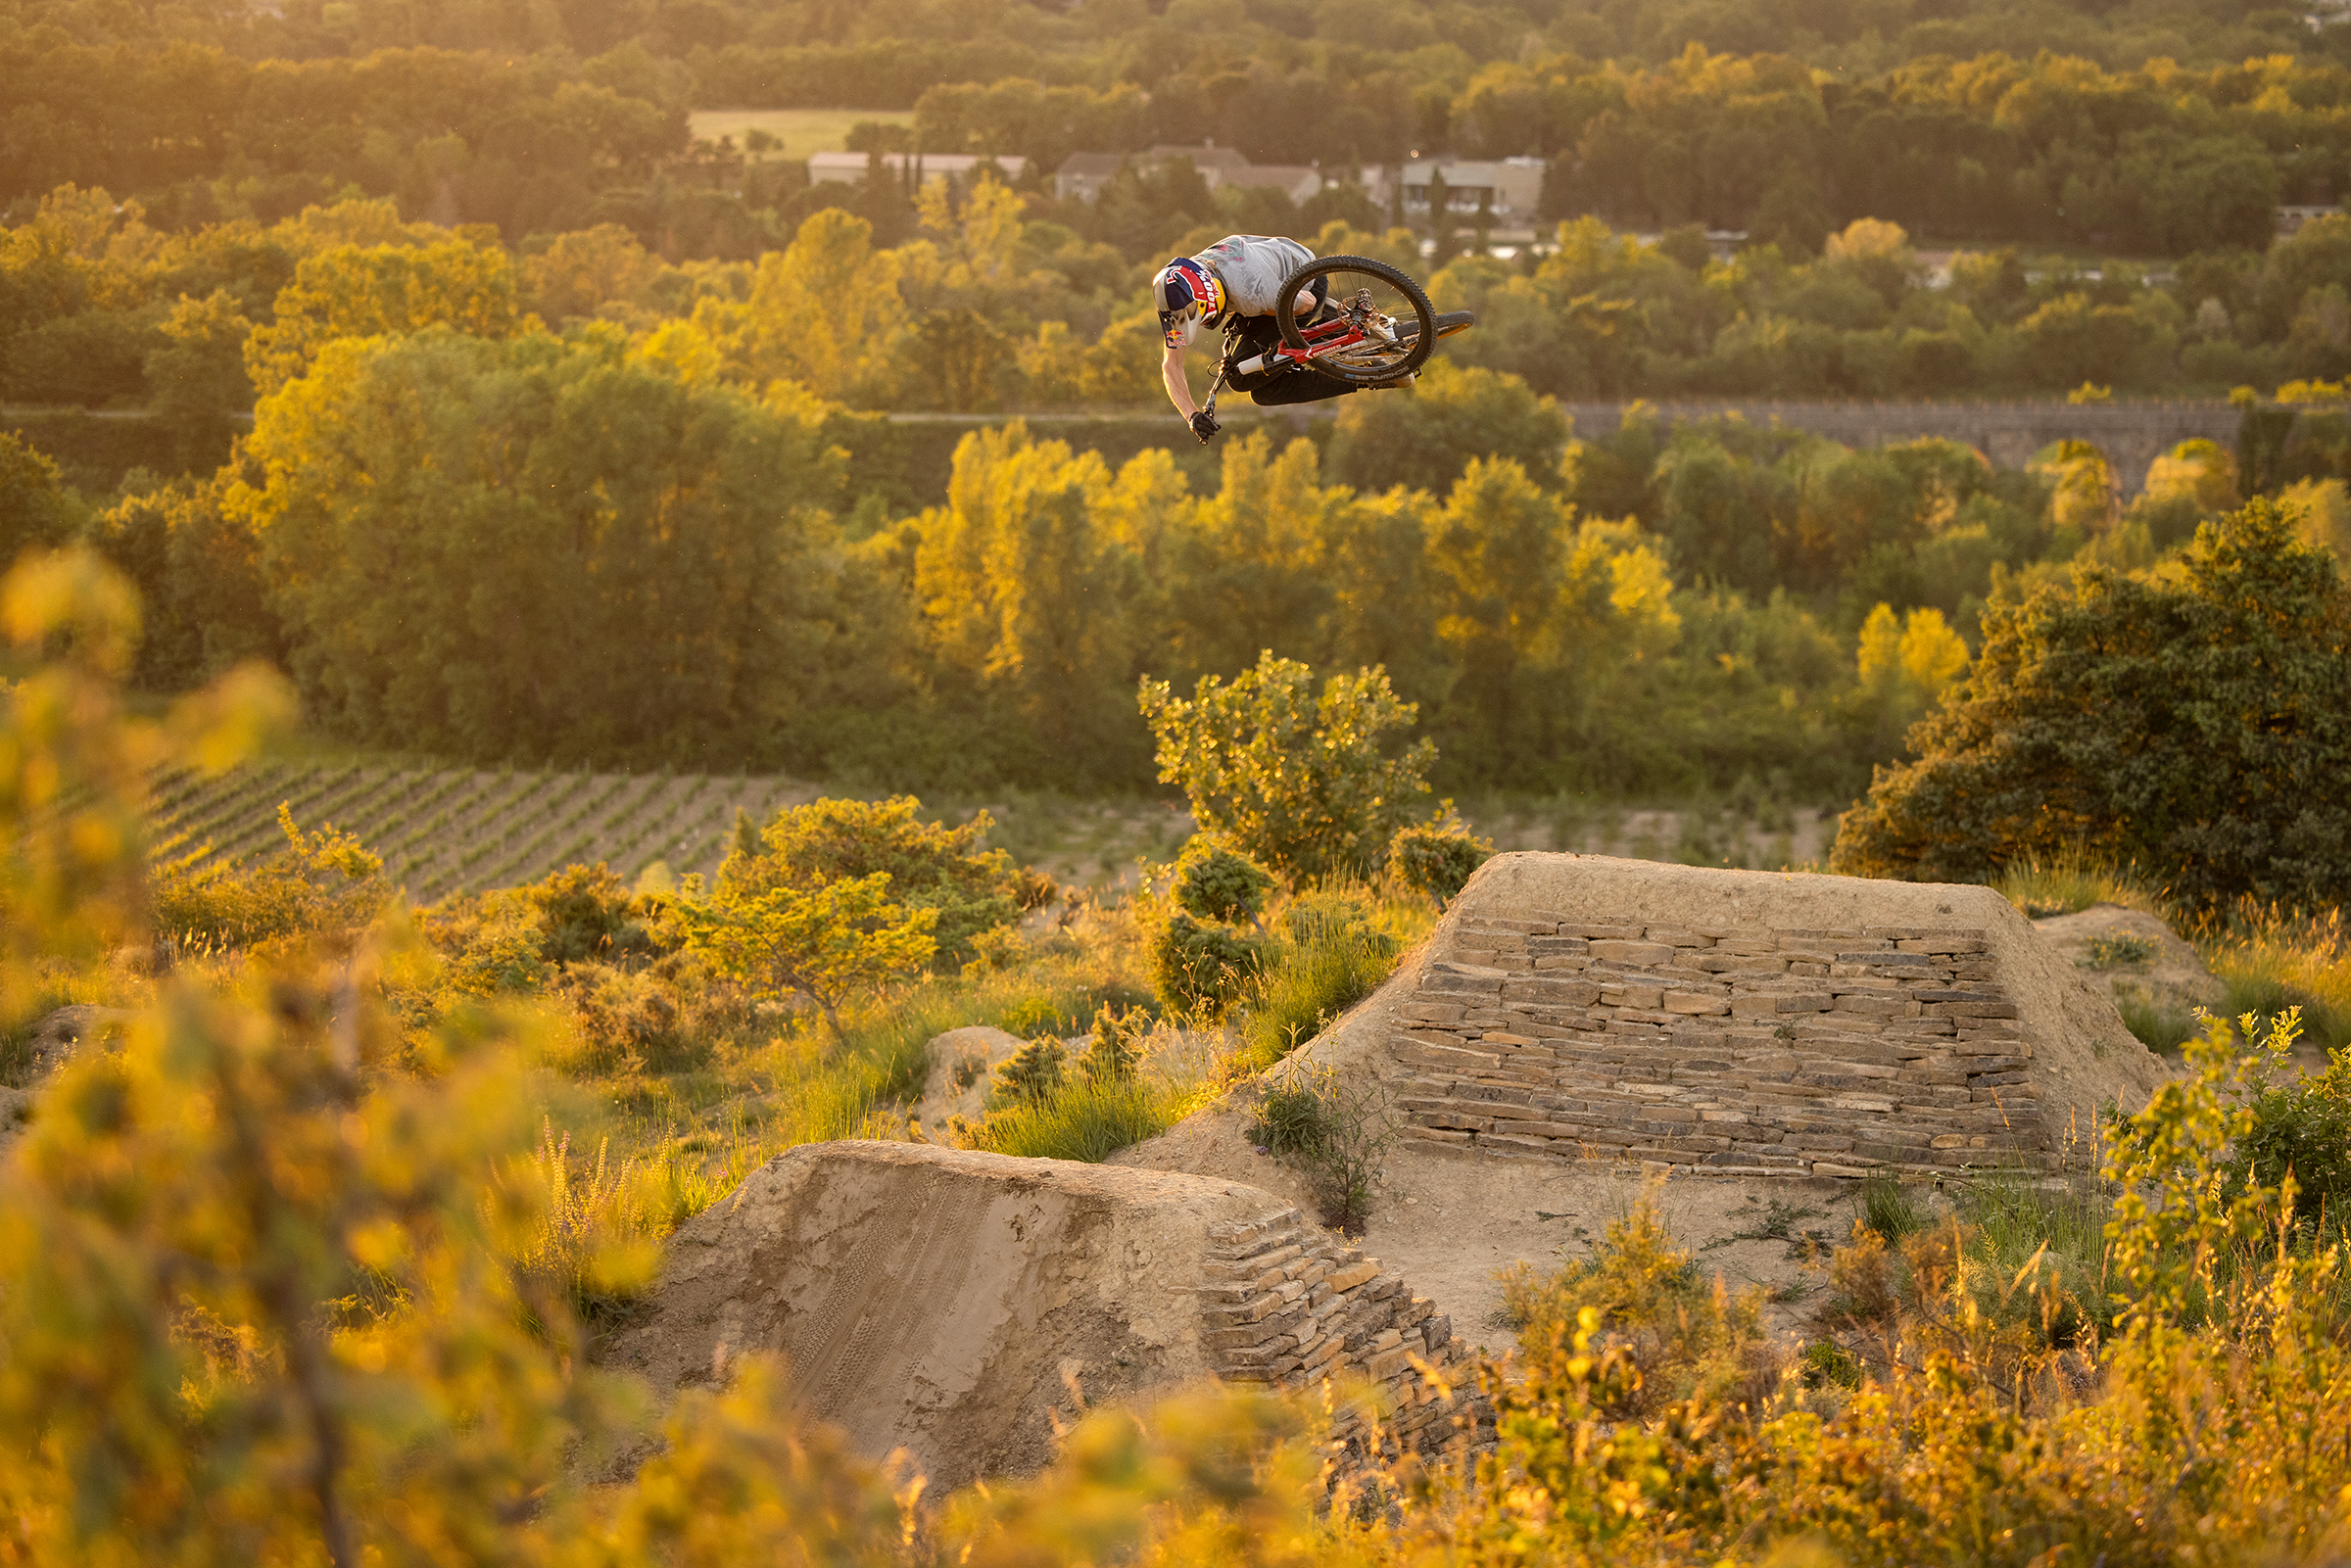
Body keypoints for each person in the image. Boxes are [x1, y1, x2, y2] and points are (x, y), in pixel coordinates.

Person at [1155, 234, 1389, 444]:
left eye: (1205, 319)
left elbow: (1305, 304)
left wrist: (1278, 341)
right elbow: (1171, 365)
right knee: (1264, 392)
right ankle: (1367, 375)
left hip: (1303, 283)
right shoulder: (1180, 292)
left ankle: (1342, 330)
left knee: (1240, 378)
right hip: (1263, 280)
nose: (1206, 325)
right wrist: (1191, 415)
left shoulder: (1252, 292)